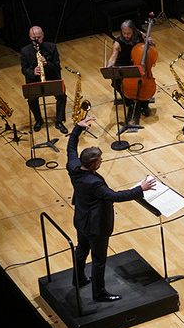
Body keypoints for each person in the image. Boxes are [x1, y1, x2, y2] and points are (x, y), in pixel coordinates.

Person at [66, 116, 155, 302]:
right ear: (94, 164)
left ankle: (78, 279)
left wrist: (77, 129)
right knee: (99, 260)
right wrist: (140, 189)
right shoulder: (94, 183)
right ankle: (99, 293)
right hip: (95, 226)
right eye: (100, 160)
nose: (101, 162)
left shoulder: (74, 167)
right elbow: (115, 196)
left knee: (81, 249)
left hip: (81, 219)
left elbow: (71, 149)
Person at [19, 26, 68, 134]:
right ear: (29, 37)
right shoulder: (25, 51)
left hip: (51, 78)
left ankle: (59, 121)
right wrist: (33, 72)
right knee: (31, 99)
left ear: (43, 36)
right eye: (34, 38)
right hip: (34, 80)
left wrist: (47, 64)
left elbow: (57, 67)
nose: (36, 40)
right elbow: (24, 69)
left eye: (39, 37)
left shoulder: (51, 47)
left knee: (62, 96)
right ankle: (39, 120)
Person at [107, 20, 151, 124]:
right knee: (116, 82)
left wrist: (150, 42)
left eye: (129, 33)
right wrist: (109, 66)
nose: (126, 35)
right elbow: (113, 57)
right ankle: (129, 102)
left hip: (137, 64)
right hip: (124, 66)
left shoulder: (139, 34)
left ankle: (144, 103)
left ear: (133, 31)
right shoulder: (118, 42)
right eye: (124, 33)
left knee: (143, 82)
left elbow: (151, 45)